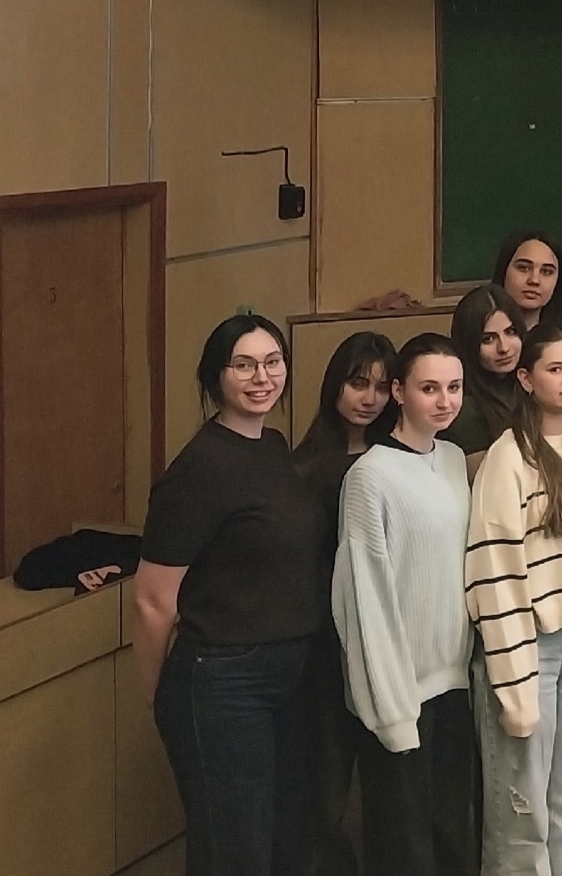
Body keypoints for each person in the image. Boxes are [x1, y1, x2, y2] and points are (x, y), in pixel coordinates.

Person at [136, 314, 328, 876]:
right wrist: (157, 697)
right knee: (234, 851)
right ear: (215, 376)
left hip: (290, 672)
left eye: (272, 362)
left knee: (283, 839)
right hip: (222, 680)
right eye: (243, 365)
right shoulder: (198, 468)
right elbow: (153, 601)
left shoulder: (273, 446)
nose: (262, 377)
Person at [465, 325, 562, 874]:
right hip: (530, 643)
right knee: (522, 814)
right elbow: (494, 571)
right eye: (555, 369)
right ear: (526, 379)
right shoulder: (508, 458)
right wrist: (513, 681)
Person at [333, 333, 475, 876]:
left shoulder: (453, 458)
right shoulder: (369, 476)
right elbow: (364, 599)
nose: (445, 401)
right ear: (398, 392)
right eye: (429, 388)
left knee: (451, 841)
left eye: (454, 388)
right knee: (404, 852)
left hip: (454, 685)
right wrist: (391, 712)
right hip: (400, 694)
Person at [291, 329, 396, 876]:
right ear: (335, 385)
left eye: (380, 386)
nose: (369, 398)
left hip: (390, 644)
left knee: (390, 789)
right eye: (358, 383)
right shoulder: (303, 467)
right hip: (325, 647)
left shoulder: (400, 457)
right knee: (324, 789)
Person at [448, 282, 525, 477]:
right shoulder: (465, 408)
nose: (504, 348)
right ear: (468, 343)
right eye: (488, 339)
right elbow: (487, 482)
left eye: (510, 332)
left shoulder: (531, 385)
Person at [493, 229, 562, 333]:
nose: (534, 280)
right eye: (523, 268)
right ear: (504, 270)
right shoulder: (475, 334)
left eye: (546, 272)